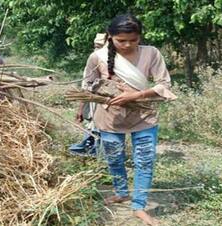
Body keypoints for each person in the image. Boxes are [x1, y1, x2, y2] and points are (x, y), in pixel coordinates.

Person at [81, 14, 176, 226]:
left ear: (140, 37)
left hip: (143, 115)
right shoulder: (98, 57)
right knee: (114, 158)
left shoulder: (151, 53)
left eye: (133, 40)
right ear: (110, 37)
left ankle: (139, 206)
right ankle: (121, 192)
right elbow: (87, 85)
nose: (127, 45)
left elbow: (164, 84)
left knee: (144, 160)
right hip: (109, 117)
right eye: (121, 40)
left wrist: (135, 95)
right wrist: (87, 105)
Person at [69, 33, 107, 157]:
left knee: (97, 127)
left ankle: (95, 151)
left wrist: (80, 110)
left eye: (99, 46)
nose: (97, 48)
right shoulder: (97, 60)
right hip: (96, 102)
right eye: (96, 46)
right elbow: (86, 87)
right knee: (94, 126)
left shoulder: (98, 60)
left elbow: (86, 88)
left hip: (101, 103)